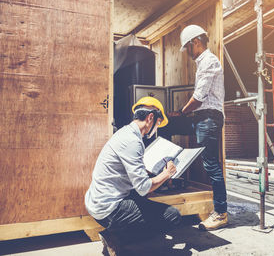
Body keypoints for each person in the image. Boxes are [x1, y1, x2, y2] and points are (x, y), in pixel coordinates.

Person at [85, 96, 181, 256]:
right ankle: (115, 236)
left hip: (98, 201)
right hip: (109, 209)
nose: (157, 129)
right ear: (151, 118)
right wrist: (166, 174)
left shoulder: (125, 133)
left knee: (146, 204)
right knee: (173, 216)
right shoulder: (133, 142)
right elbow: (144, 188)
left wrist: (151, 173)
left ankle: (117, 233)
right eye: (158, 124)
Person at [165, 24, 228, 231]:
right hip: (201, 117)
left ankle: (220, 213)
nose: (187, 53)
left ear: (196, 42)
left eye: (188, 48)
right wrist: (177, 115)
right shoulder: (202, 62)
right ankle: (165, 178)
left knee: (210, 163)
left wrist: (181, 112)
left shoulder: (209, 61)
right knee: (166, 124)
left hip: (208, 118)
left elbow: (200, 97)